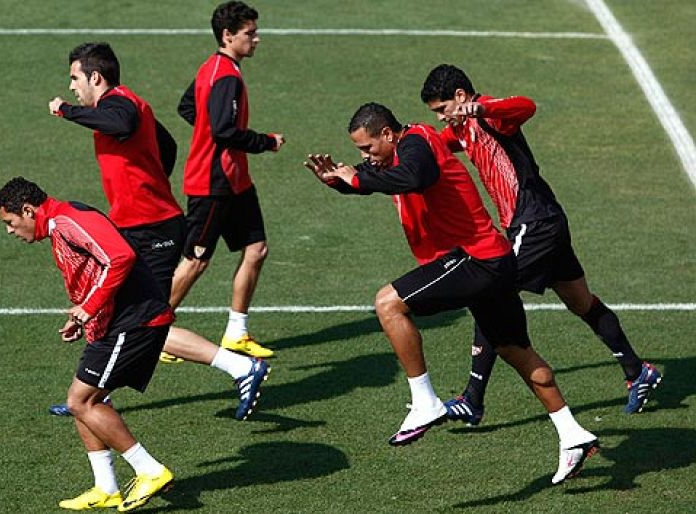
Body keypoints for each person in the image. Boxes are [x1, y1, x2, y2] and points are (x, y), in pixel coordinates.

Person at [304, 103, 598, 484]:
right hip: (494, 261)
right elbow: (377, 177)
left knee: (388, 304)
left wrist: (356, 179)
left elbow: (413, 176)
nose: (365, 157)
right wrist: (339, 179)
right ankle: (573, 434)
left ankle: (425, 401)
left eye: (368, 148)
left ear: (388, 134)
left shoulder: (417, 145)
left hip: (475, 260)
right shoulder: (401, 153)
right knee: (515, 351)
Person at [420, 64, 661, 425]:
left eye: (442, 110)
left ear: (460, 97)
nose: (441, 119)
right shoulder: (463, 131)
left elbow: (526, 106)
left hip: (533, 225)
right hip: (549, 222)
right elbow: (435, 146)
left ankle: (472, 399)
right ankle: (637, 369)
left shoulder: (491, 117)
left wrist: (481, 108)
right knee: (581, 301)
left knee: (489, 291)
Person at [47, 42, 269, 421]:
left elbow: (123, 125)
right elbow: (164, 143)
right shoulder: (128, 104)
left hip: (152, 230)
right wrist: (147, 178)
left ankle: (241, 368)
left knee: (145, 323)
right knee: (122, 317)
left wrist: (68, 112)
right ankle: (91, 395)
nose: (71, 87)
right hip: (139, 225)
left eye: (74, 78)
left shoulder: (119, 105)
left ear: (95, 77)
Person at [0, 177, 175, 511]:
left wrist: (87, 309)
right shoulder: (60, 226)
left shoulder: (69, 220)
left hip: (135, 320)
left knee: (82, 401)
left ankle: (149, 470)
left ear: (28, 210)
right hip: (114, 322)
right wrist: (83, 318)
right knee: (84, 399)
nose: (9, 231)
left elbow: (120, 257)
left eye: (10, 222)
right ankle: (106, 487)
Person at [174, 1, 285, 358]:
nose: (257, 39)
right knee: (195, 261)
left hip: (235, 181)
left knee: (256, 249)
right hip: (213, 183)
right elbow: (223, 130)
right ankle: (152, 329)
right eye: (249, 34)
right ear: (228, 35)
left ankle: (237, 332)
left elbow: (187, 107)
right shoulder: (225, 76)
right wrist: (265, 142)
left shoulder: (214, 67)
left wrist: (208, 134)